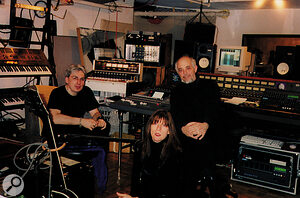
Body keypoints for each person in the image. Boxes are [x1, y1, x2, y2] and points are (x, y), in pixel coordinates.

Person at [47, 64, 108, 193]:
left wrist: (99, 120)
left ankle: (99, 188)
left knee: (101, 142)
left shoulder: (86, 92)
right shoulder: (57, 93)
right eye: (75, 78)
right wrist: (81, 121)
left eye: (82, 79)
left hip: (76, 135)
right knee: (96, 148)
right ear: (67, 79)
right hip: (58, 137)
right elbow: (55, 118)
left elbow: (95, 112)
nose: (79, 82)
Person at [170, 55, 222, 197]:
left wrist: (205, 125)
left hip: (207, 132)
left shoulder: (210, 86)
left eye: (188, 68)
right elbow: (175, 115)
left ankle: (210, 186)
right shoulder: (175, 92)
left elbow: (214, 110)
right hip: (185, 135)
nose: (185, 73)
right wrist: (183, 128)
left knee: (203, 146)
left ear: (195, 68)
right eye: (180, 70)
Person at [116, 109, 183, 198]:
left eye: (164, 125)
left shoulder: (175, 154)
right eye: (155, 123)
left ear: (169, 131)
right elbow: (135, 181)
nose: (158, 128)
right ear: (149, 126)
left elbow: (170, 191)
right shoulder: (140, 147)